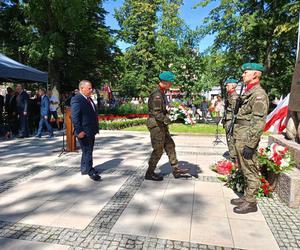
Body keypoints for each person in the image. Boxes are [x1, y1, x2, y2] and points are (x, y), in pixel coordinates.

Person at [231, 63, 269, 214]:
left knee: (250, 168)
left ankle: (251, 203)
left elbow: (259, 122)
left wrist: (251, 144)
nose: (242, 75)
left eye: (246, 72)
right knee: (244, 167)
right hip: (240, 134)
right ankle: (247, 197)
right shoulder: (249, 92)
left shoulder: (259, 94)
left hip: (247, 137)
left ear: (255, 75)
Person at [145, 71, 189, 181]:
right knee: (158, 150)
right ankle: (149, 173)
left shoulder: (162, 92)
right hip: (156, 126)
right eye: (170, 82)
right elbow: (156, 113)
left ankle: (176, 168)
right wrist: (169, 120)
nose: (172, 84)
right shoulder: (157, 95)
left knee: (170, 145)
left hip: (161, 125)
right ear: (165, 82)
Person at [71, 80, 101, 181]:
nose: (91, 90)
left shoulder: (88, 98)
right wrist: (79, 131)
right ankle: (90, 171)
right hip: (84, 131)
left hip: (90, 130)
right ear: (82, 88)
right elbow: (74, 117)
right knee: (88, 150)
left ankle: (84, 169)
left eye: (91, 88)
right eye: (89, 88)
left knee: (87, 150)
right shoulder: (77, 99)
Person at [223, 78, 239, 161]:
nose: (226, 87)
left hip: (231, 121)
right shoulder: (229, 95)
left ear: (233, 85)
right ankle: (232, 155)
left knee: (231, 139)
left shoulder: (234, 97)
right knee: (229, 139)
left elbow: (234, 112)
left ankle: (234, 158)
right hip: (228, 120)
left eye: (227, 85)